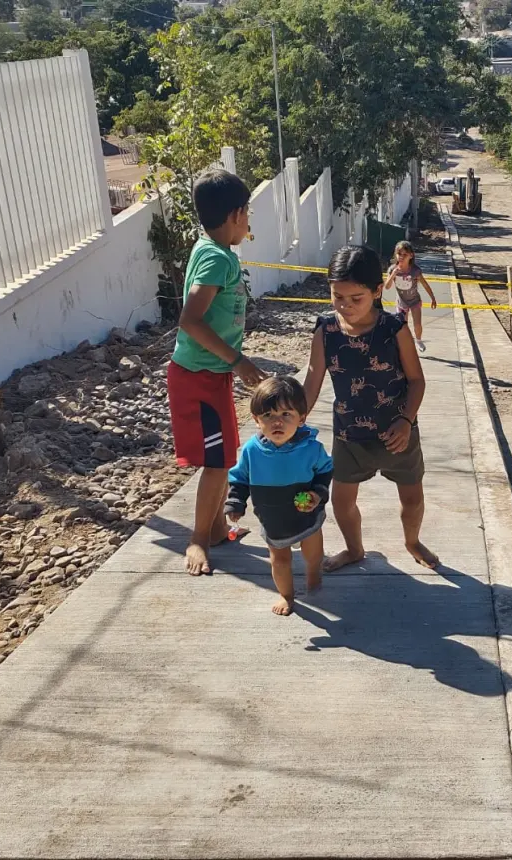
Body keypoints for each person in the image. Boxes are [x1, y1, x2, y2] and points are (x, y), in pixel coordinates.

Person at [304, 245, 438, 572]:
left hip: (399, 435)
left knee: (412, 500)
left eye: (356, 299)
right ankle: (354, 549)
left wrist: (406, 420)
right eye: (338, 297)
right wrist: (291, 423)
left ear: (378, 291)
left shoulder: (395, 329)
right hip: (349, 436)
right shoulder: (325, 331)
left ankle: (412, 541)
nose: (345, 306)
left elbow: (417, 381)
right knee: (342, 502)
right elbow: (311, 383)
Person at [167, 168, 267, 576]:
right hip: (199, 378)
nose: (249, 222)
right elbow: (190, 320)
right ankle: (197, 539)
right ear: (236, 213)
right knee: (217, 461)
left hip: (212, 375)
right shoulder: (214, 256)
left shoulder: (215, 252)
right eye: (248, 214)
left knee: (224, 454)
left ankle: (214, 529)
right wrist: (237, 360)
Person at [225, 376, 333, 616]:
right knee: (279, 560)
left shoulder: (311, 448)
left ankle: (314, 577)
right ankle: (286, 595)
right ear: (256, 420)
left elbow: (325, 470)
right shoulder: (252, 450)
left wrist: (317, 494)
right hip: (273, 517)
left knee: (313, 553)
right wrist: (236, 502)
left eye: (286, 415)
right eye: (268, 416)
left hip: (307, 515)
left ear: (301, 418)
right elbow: (239, 477)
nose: (277, 422)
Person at [384, 240, 437, 353]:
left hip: (414, 302)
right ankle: (404, 344)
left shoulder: (415, 271)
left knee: (417, 324)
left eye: (405, 254)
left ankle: (418, 340)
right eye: (399, 254)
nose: (401, 257)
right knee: (403, 326)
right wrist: (393, 274)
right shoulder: (393, 270)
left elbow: (425, 284)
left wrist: (433, 298)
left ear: (411, 255)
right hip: (401, 303)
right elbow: (387, 287)